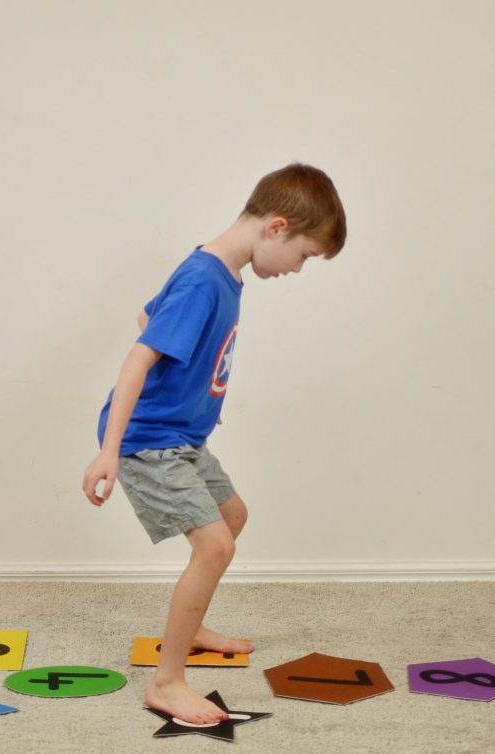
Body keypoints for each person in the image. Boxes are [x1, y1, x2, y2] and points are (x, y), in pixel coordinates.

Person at [82, 163, 347, 724]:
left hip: (182, 433)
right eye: (304, 255)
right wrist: (110, 448)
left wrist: (194, 391)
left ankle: (192, 625)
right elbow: (138, 355)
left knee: (233, 517)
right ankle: (167, 681)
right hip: (147, 441)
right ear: (276, 228)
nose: (298, 270)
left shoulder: (220, 272)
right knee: (216, 546)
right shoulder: (206, 279)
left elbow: (148, 317)